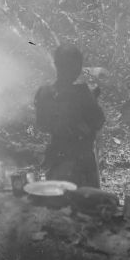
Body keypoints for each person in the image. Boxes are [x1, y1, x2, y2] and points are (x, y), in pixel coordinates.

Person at [34, 45, 105, 188]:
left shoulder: (45, 92)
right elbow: (98, 121)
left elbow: (42, 125)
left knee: (58, 204)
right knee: (86, 204)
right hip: (80, 162)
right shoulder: (83, 93)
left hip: (58, 159)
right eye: (74, 65)